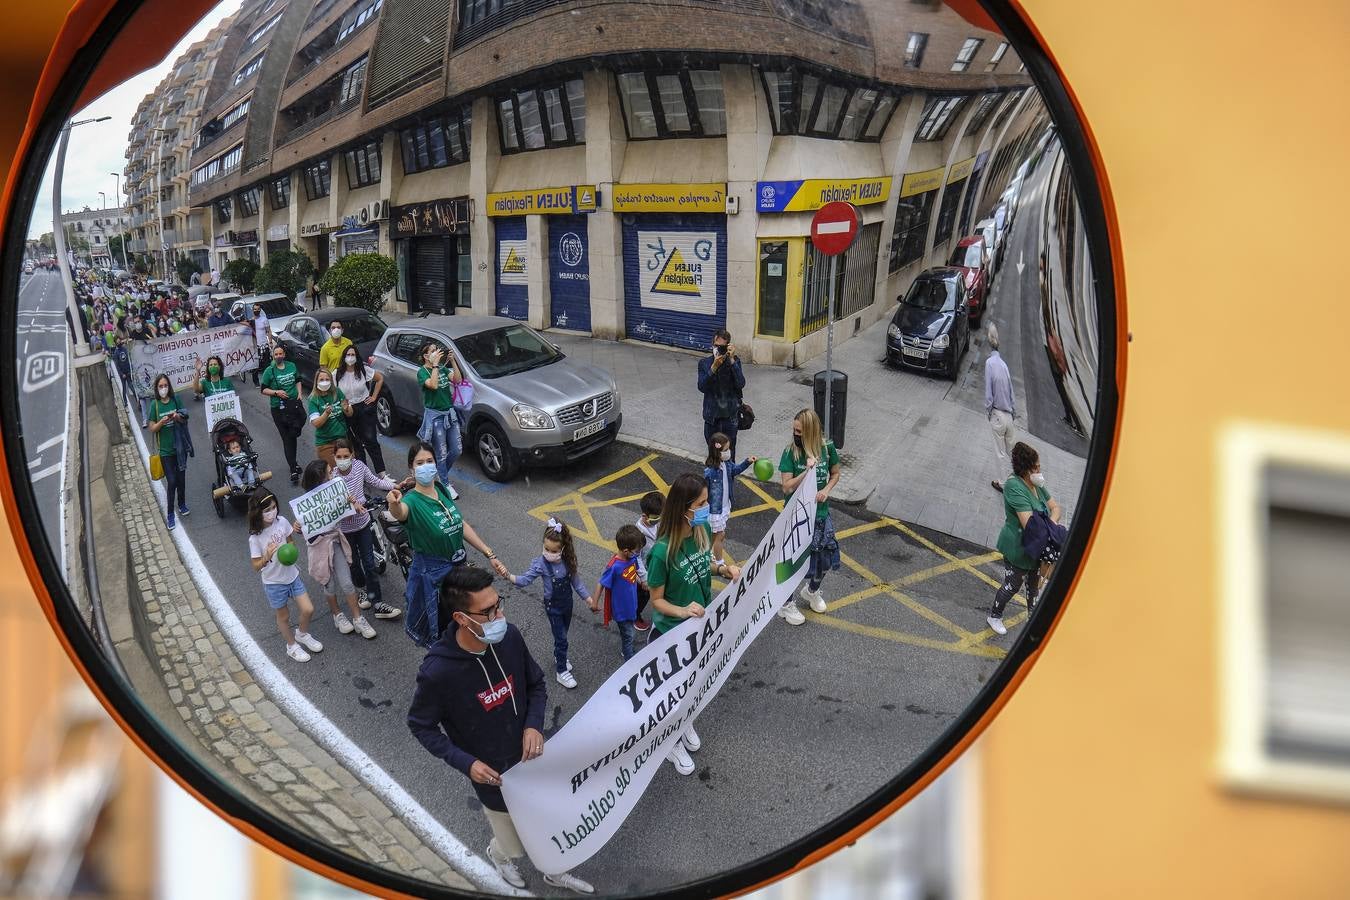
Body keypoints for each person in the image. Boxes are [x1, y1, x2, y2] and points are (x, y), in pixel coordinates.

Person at [406, 567, 595, 895]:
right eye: (489, 611)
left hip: (534, 761)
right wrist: (467, 763)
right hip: (495, 781)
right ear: (462, 618)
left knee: (549, 824)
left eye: (498, 604)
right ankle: (499, 856)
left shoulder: (510, 638)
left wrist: (534, 725)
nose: (499, 615)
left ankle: (554, 870)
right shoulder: (438, 673)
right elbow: (421, 726)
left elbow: (536, 684)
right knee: (514, 842)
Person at [646, 472, 740, 776]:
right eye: (701, 503)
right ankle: (669, 742)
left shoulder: (698, 535)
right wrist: (683, 610)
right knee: (671, 695)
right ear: (684, 508)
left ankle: (683, 723)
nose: (706, 508)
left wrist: (723, 569)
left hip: (698, 630)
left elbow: (703, 565)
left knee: (689, 689)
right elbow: (656, 600)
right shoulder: (661, 552)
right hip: (670, 635)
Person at [385, 441, 507, 647]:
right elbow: (400, 513)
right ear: (411, 470)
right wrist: (393, 503)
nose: (426, 466)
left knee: (468, 625)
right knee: (446, 634)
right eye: (420, 463)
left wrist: (489, 554)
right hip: (435, 580)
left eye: (429, 461)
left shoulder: (441, 488)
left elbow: (460, 523)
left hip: (458, 573)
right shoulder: (412, 501)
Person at [501, 520, 594, 690]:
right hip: (553, 608)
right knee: (562, 639)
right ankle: (561, 670)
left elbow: (577, 583)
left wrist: (588, 599)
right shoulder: (540, 564)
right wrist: (508, 575)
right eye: (546, 549)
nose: (549, 553)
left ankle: (560, 655)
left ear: (563, 548)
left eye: (554, 551)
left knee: (563, 635)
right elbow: (524, 580)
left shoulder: (568, 562)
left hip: (567, 604)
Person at [987, 442, 1062, 636]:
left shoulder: (1037, 485)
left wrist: (1048, 527)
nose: (1040, 470)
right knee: (1013, 585)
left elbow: (1056, 508)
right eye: (1036, 466)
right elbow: (1030, 524)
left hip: (1038, 547)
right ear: (1026, 469)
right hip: (1018, 547)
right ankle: (994, 615)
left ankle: (1032, 620)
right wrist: (1050, 527)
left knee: (1033, 587)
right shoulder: (1014, 486)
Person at [299, 460, 378, 641]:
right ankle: (337, 615)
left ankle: (358, 618)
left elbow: (347, 511)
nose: (332, 475)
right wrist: (297, 526)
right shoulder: (308, 502)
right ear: (320, 479)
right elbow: (304, 526)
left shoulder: (338, 492)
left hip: (335, 542)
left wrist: (353, 503)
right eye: (328, 473)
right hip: (319, 548)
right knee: (329, 584)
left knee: (347, 582)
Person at [247, 489, 323, 662]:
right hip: (274, 583)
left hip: (292, 575)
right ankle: (291, 646)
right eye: (266, 510)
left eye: (273, 507)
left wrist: (291, 552)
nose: (271, 512)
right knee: (284, 617)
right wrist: (266, 557)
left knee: (308, 609)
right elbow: (256, 566)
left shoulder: (282, 521)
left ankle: (302, 634)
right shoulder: (255, 538)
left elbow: (290, 541)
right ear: (257, 513)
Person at [778, 408, 839, 623]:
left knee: (825, 561)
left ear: (812, 431)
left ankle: (812, 591)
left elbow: (836, 473)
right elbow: (786, 487)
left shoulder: (827, 448)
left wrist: (827, 490)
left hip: (820, 515)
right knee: (793, 563)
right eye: (794, 430)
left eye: (799, 431)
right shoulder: (790, 453)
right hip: (797, 517)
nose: (795, 434)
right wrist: (806, 472)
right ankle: (785, 604)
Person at [332, 439, 404, 621]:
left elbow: (374, 481)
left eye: (345, 456)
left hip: (363, 524)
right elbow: (333, 506)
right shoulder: (332, 479)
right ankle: (362, 590)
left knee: (369, 564)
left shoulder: (359, 467)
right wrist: (349, 504)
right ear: (334, 457)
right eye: (338, 457)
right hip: (345, 531)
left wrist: (395, 486)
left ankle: (378, 602)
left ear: (352, 455)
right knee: (354, 564)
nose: (342, 460)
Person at [416, 342, 463, 499]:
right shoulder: (422, 372)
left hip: (449, 414)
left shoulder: (442, 368)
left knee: (457, 450)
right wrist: (435, 366)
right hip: (435, 417)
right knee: (441, 453)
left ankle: (439, 475)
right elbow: (434, 385)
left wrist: (453, 361)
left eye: (437, 349)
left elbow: (457, 380)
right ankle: (445, 483)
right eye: (433, 350)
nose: (437, 352)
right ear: (426, 356)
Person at [702, 432, 757, 567]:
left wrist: (747, 462)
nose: (728, 452)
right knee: (720, 535)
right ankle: (719, 562)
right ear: (717, 451)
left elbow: (735, 470)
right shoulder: (710, 472)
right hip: (715, 510)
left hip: (725, 506)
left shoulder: (727, 464)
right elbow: (704, 491)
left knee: (714, 536)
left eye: (729, 449)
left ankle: (705, 554)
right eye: (726, 450)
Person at [147, 373, 191, 531]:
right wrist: (161, 422)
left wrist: (176, 417)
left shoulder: (175, 399)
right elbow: (152, 427)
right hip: (165, 451)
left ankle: (182, 504)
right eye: (160, 386)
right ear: (157, 388)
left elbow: (185, 417)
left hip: (179, 448)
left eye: (165, 386)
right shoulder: (155, 405)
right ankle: (170, 514)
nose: (163, 389)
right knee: (171, 481)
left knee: (181, 479)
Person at [596, 525, 646, 661]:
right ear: (626, 550)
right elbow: (601, 583)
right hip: (621, 610)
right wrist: (594, 602)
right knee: (629, 634)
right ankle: (628, 657)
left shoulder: (631, 559)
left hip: (631, 604)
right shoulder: (614, 567)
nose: (638, 554)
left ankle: (628, 648)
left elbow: (632, 571)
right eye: (637, 551)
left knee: (629, 633)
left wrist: (639, 579)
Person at [335, 347, 388, 477]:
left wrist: (374, 396)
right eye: (348, 354)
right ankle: (363, 473)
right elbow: (329, 389)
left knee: (371, 440)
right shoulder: (337, 374)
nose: (350, 357)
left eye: (353, 354)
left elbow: (380, 378)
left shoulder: (363, 370)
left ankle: (382, 473)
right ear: (344, 356)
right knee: (355, 443)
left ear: (357, 357)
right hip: (347, 409)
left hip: (364, 406)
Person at [260, 342, 306, 484]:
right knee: (287, 438)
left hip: (294, 406)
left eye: (281, 354)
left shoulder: (291, 366)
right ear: (273, 356)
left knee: (294, 434)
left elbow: (298, 380)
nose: (278, 356)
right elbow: (263, 389)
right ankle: (293, 468)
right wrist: (276, 392)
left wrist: (299, 393)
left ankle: (294, 462)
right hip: (279, 409)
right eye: (276, 354)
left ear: (284, 355)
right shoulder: (270, 370)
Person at [696, 329, 746, 460]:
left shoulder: (734, 362)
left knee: (730, 456)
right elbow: (701, 386)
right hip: (712, 419)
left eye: (722, 347)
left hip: (730, 419)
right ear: (712, 345)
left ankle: (729, 479)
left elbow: (741, 383)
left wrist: (732, 361)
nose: (718, 350)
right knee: (713, 456)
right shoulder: (705, 363)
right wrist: (713, 368)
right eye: (716, 346)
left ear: (728, 347)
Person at [984, 324, 1016, 493]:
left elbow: (989, 393)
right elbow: (1011, 390)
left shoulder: (989, 363)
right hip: (1009, 415)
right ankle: (1020, 481)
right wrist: (1014, 413)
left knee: (1000, 452)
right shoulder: (1004, 365)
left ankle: (1002, 483)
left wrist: (988, 412)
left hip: (997, 414)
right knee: (1012, 453)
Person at [306, 366, 353, 467]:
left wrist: (346, 408)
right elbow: (316, 423)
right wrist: (326, 413)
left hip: (342, 440)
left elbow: (350, 413)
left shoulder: (337, 392)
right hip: (325, 443)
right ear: (316, 382)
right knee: (335, 472)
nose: (325, 382)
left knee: (349, 468)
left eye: (327, 379)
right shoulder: (314, 399)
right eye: (321, 380)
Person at [631, 491, 664, 633]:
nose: (659, 520)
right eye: (656, 518)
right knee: (642, 595)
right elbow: (636, 557)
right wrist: (644, 579)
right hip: (642, 572)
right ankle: (634, 616)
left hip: (654, 566)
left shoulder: (657, 524)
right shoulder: (638, 532)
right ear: (644, 515)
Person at [250, 302, 271, 386]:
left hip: (264, 344)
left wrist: (270, 342)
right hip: (255, 346)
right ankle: (256, 381)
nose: (256, 311)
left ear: (260, 310)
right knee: (256, 365)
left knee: (267, 364)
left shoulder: (264, 319)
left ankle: (267, 381)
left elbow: (268, 331)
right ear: (252, 310)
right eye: (255, 309)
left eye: (258, 309)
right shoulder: (251, 321)